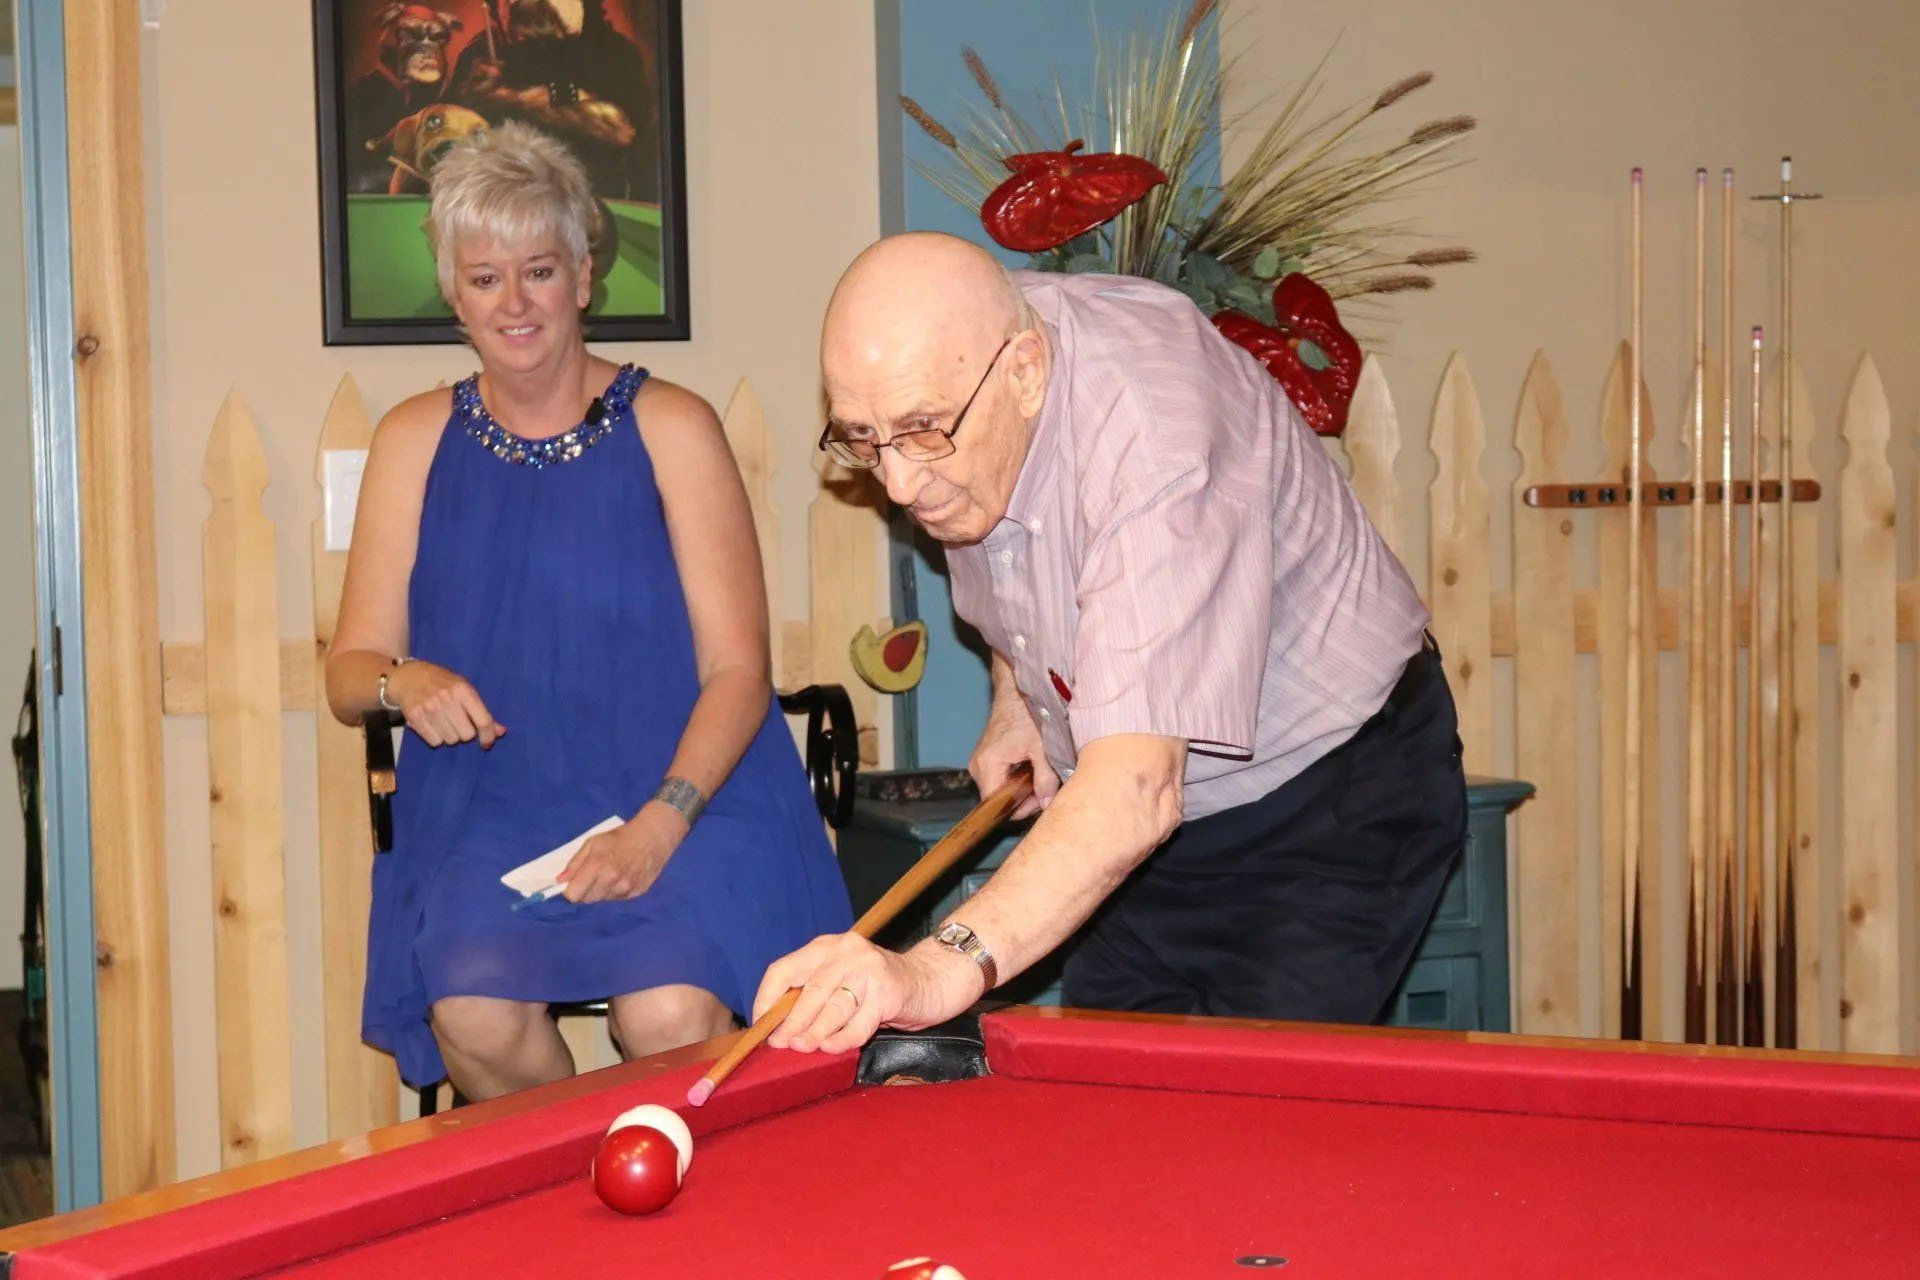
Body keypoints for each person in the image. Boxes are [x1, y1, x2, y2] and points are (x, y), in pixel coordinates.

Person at [755, 232, 1464, 1056]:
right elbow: (1013, 542)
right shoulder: (971, 356)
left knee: (1244, 1116)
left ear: (1026, 372)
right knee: (1107, 1099)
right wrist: (1019, 696)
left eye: (922, 432)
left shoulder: (1157, 443)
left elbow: (1134, 791)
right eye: (864, 439)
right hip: (1146, 824)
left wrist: (928, 973)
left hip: (1325, 803)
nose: (901, 482)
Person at [325, 122, 850, 1099]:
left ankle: (666, 1179)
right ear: (454, 294)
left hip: (690, 792)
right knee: (472, 1013)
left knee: (667, 1013)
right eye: (486, 279)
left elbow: (740, 672)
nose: (514, 303)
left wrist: (659, 824)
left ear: (583, 276)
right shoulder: (410, 440)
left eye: (538, 271)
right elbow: (349, 673)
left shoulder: (673, 426)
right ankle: (580, 1179)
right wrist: (406, 680)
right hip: (494, 803)